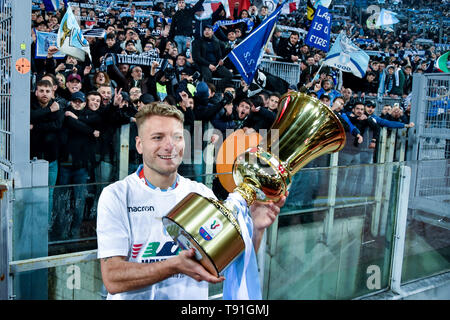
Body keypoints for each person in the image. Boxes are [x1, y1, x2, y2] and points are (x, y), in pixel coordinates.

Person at [96, 102, 285, 299]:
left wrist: (255, 229)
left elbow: (232, 265)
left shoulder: (201, 193)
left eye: (177, 137)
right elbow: (112, 278)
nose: (170, 146)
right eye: (157, 137)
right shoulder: (117, 195)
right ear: (139, 145)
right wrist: (173, 265)